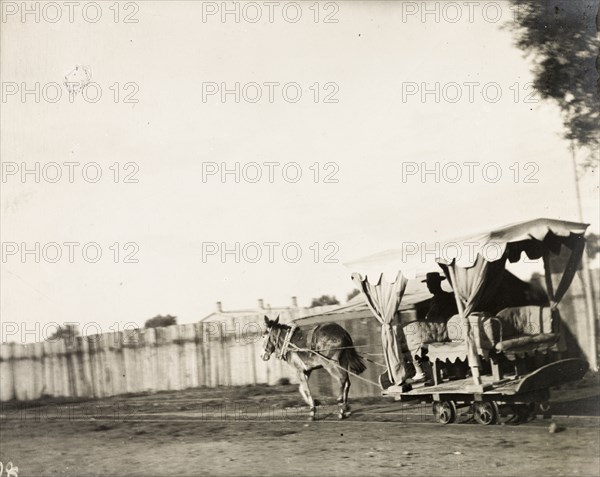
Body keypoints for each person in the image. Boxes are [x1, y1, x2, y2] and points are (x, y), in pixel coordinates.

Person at [410, 272, 459, 383]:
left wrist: (428, 319)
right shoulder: (443, 296)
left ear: (437, 284)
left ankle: (423, 372)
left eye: (430, 285)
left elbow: (434, 317)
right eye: (428, 285)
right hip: (446, 328)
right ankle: (442, 370)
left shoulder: (440, 298)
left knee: (418, 344)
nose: (429, 287)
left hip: (444, 329)